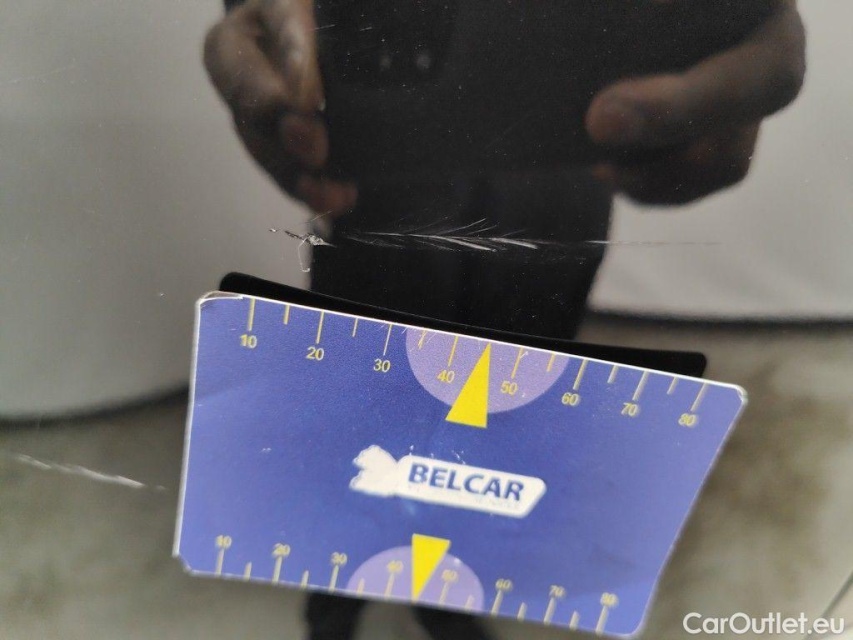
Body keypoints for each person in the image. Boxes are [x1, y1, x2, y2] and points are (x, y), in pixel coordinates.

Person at [202, 1, 805, 638]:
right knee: (369, 395)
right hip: (406, 118)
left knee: (500, 409)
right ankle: (336, 593)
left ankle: (438, 583)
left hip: (552, 155)